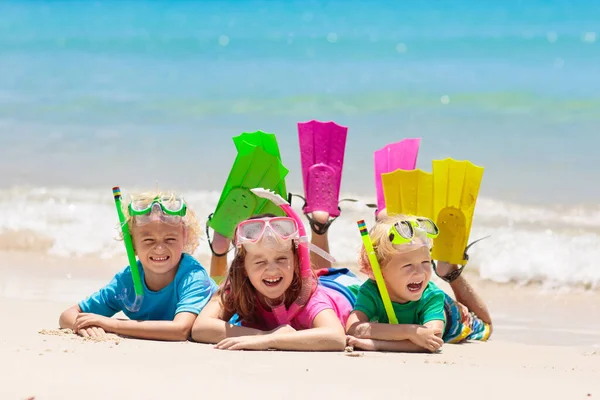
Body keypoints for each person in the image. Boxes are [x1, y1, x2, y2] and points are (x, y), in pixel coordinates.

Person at [59, 192, 217, 341]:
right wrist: (83, 325)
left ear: (185, 238)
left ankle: (220, 250)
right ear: (132, 244)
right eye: (149, 240)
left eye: (170, 239)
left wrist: (111, 324)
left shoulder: (193, 276)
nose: (159, 248)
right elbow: (67, 315)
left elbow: (180, 330)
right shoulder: (126, 283)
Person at [191, 212, 359, 351]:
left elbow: (335, 337)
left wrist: (272, 341)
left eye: (281, 259)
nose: (272, 270)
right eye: (259, 262)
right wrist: (265, 336)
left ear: (296, 261)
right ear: (243, 268)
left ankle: (319, 226)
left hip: (344, 289)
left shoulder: (308, 295)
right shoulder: (237, 287)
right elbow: (201, 328)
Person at [346, 214, 492, 352]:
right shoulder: (371, 291)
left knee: (487, 325)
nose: (420, 272)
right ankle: (448, 271)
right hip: (420, 318)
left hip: (457, 319)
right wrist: (410, 332)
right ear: (376, 271)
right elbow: (353, 328)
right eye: (407, 265)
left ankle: (451, 273)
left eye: (425, 262)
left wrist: (373, 344)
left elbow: (430, 342)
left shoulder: (432, 297)